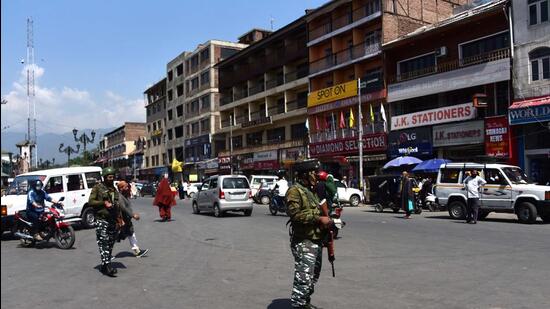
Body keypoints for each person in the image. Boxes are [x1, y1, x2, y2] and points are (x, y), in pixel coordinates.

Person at [286, 159, 332, 308]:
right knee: (304, 277)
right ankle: (298, 304)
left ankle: (305, 302)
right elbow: (295, 215)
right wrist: (318, 218)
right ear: (305, 174)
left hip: (316, 239)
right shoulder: (294, 191)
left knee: (313, 275)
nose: (317, 176)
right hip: (303, 241)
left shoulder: (312, 191)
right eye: (314, 173)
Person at [88, 167, 122, 277]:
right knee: (104, 243)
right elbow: (91, 201)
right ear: (105, 177)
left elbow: (117, 205)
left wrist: (120, 219)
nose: (111, 179)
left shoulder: (114, 190)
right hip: (101, 219)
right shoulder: (98, 188)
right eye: (109, 177)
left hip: (112, 219)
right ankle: (107, 266)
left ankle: (104, 264)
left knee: (111, 243)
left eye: (113, 177)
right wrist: (103, 203)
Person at [116, 181, 149, 258]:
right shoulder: (120, 197)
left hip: (126, 219)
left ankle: (137, 251)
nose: (127, 188)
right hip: (123, 219)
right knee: (127, 234)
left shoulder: (124, 195)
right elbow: (123, 208)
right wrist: (133, 215)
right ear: (121, 188)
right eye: (125, 187)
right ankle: (107, 251)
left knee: (129, 233)